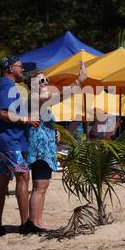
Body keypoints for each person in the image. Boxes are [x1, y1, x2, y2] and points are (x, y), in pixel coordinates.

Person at [24, 65, 87, 231]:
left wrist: (55, 132)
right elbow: (61, 96)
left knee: (42, 187)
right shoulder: (35, 98)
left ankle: (37, 221)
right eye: (41, 81)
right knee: (39, 186)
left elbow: (43, 122)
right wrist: (78, 81)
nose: (45, 83)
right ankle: (34, 223)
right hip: (39, 148)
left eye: (46, 80)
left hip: (44, 146)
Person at [0, 56, 40, 238]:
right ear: (10, 68)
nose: (23, 69)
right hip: (10, 140)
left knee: (2, 180)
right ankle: (25, 224)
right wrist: (25, 119)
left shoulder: (3, 84)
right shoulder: (7, 86)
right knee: (23, 176)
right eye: (20, 66)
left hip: (3, 139)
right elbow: (2, 113)